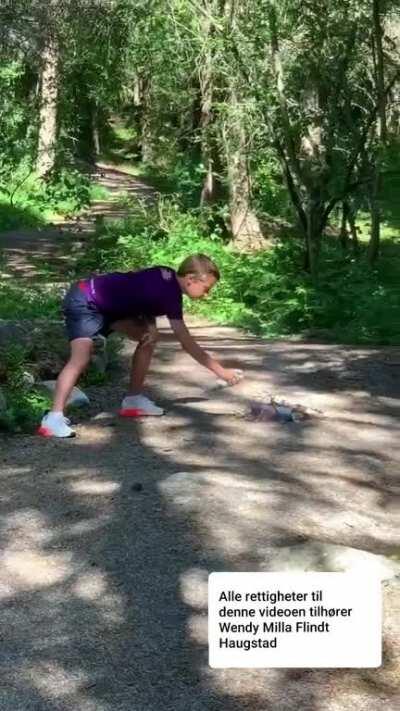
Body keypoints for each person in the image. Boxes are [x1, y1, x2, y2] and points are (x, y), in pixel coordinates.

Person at [38, 254, 243, 437]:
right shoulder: (171, 295)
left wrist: (149, 327)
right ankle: (53, 418)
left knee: (149, 338)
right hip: (85, 300)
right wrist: (221, 372)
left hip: (109, 307)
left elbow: (142, 298)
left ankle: (133, 400)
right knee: (80, 358)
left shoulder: (167, 276)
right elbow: (186, 342)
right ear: (191, 279)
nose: (207, 294)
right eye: (206, 289)